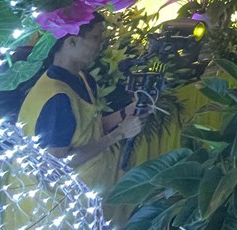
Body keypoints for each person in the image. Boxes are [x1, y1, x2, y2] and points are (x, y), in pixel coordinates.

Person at [18, 16, 144, 193]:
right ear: (71, 42)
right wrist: (119, 134)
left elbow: (87, 130)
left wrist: (128, 111)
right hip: (61, 199)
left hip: (93, 187)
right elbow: (56, 165)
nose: (101, 44)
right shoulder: (57, 99)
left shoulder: (83, 79)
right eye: (96, 37)